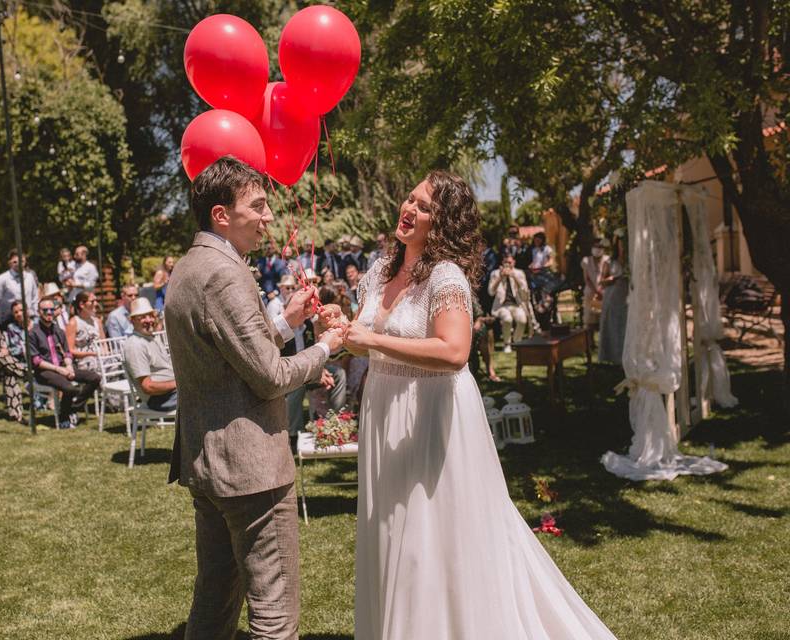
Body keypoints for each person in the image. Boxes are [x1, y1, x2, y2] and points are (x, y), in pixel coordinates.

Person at [344, 170, 617, 640]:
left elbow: (454, 352)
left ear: (443, 223)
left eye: (424, 206)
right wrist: (343, 329)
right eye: (410, 199)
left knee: (429, 539)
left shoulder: (445, 277)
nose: (409, 209)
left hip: (428, 414)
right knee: (389, 532)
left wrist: (371, 340)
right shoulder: (380, 270)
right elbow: (362, 337)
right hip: (383, 409)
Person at [164, 156, 344, 640]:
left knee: (215, 597)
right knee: (274, 615)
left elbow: (231, 353)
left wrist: (287, 322)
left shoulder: (188, 266)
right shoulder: (226, 273)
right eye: (258, 205)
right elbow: (267, 376)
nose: (268, 217)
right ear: (222, 214)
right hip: (250, 472)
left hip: (208, 464)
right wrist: (328, 347)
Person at [269, 275, 346, 447]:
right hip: (291, 371)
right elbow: (281, 361)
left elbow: (316, 350)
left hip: (311, 368)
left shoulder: (309, 327)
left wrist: (320, 370)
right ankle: (293, 433)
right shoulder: (284, 331)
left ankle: (337, 419)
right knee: (297, 387)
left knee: (339, 374)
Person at [27, 297, 101, 429]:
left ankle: (72, 408)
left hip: (63, 367)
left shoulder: (59, 331)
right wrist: (59, 369)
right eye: (45, 310)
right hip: (44, 371)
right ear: (39, 312)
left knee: (94, 378)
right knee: (70, 388)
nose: (49, 313)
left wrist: (69, 366)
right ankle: (64, 417)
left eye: (52, 309)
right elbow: (36, 361)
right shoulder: (33, 333)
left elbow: (67, 353)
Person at [123, 297, 177, 412]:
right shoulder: (135, 345)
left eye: (151, 315)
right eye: (142, 317)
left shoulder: (152, 338)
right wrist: (179, 383)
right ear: (132, 321)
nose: (149, 320)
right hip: (160, 399)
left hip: (172, 392)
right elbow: (148, 387)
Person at [488, 253, 534, 352]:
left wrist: (514, 277)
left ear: (514, 263)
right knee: (507, 319)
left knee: (522, 319)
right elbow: (491, 292)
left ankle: (517, 343)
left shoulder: (519, 273)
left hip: (517, 304)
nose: (508, 265)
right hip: (501, 306)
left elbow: (525, 293)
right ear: (502, 263)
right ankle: (507, 344)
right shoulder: (495, 273)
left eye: (510, 262)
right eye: (505, 262)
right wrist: (500, 277)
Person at [0, 249, 39, 328]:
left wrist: (35, 314)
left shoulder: (30, 277)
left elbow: (34, 297)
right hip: (9, 319)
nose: (18, 264)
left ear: (25, 262)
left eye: (21, 261)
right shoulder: (3, 278)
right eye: (15, 262)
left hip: (28, 318)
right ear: (10, 263)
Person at [598, 234, 629, 364]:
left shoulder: (630, 260)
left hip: (626, 297)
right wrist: (611, 279)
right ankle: (613, 357)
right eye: (620, 243)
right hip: (612, 296)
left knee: (625, 325)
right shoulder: (610, 262)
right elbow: (602, 281)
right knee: (613, 325)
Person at [527, 231, 560, 330]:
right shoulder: (533, 250)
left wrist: (542, 267)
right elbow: (534, 262)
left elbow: (550, 261)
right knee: (537, 297)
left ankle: (550, 318)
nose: (536, 241)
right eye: (535, 239)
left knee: (547, 296)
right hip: (535, 275)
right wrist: (532, 266)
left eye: (538, 239)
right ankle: (540, 320)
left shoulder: (546, 249)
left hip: (544, 274)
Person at [66, 291, 105, 372]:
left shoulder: (97, 321)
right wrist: (92, 354)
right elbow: (71, 350)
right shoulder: (73, 323)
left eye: (96, 300)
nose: (96, 303)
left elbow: (104, 343)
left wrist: (105, 353)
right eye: (92, 301)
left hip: (100, 357)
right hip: (84, 360)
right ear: (82, 305)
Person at [581, 238, 610, 335]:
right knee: (589, 320)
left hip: (603, 292)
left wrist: (601, 289)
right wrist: (595, 291)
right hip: (590, 292)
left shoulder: (607, 260)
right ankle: (590, 344)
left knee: (603, 319)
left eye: (600, 247)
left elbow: (606, 276)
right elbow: (587, 279)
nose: (597, 249)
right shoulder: (586, 261)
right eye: (595, 247)